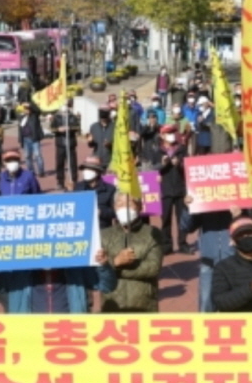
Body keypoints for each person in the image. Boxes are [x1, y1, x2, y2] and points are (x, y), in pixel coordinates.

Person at [0, 247, 117, 313]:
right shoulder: (18, 272)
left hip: (68, 333)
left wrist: (103, 265)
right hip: (29, 335)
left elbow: (107, 286)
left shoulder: (76, 270)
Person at [100, 193, 164, 313]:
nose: (124, 207)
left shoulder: (152, 233)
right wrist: (115, 262)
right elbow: (97, 269)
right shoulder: (104, 235)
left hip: (143, 303)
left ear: (140, 207)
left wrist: (117, 269)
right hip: (112, 304)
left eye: (129, 203)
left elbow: (153, 267)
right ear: (114, 207)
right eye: (120, 203)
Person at [180, 196, 236, 312]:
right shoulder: (202, 197)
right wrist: (187, 208)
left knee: (234, 304)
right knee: (206, 305)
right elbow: (186, 227)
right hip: (208, 260)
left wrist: (239, 216)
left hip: (234, 261)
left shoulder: (237, 196)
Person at [151, 124, 190, 255]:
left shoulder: (181, 149)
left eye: (173, 132)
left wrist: (179, 164)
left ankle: (182, 243)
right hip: (165, 189)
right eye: (168, 133)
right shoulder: (157, 151)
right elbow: (152, 169)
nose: (171, 135)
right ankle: (167, 245)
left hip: (180, 188)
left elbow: (188, 166)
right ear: (162, 136)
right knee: (165, 218)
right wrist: (162, 164)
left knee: (182, 218)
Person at [72, 156, 116, 230]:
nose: (86, 171)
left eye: (90, 169)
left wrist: (101, 212)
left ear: (98, 172)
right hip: (83, 228)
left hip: (103, 229)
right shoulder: (78, 187)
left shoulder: (110, 189)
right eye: (85, 168)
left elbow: (115, 212)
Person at [52, 99, 80, 190]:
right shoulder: (56, 117)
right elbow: (52, 128)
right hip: (60, 144)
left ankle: (74, 180)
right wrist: (58, 130)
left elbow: (77, 127)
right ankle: (60, 181)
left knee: (72, 163)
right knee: (60, 163)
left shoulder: (72, 116)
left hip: (70, 143)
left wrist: (70, 128)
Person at [17, 102, 45, 177]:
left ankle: (41, 171)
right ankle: (31, 171)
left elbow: (38, 110)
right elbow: (20, 130)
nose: (26, 111)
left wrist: (30, 105)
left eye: (27, 109)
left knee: (37, 155)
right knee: (27, 156)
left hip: (34, 138)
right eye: (25, 109)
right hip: (25, 139)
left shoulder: (34, 116)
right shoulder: (21, 118)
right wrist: (20, 140)